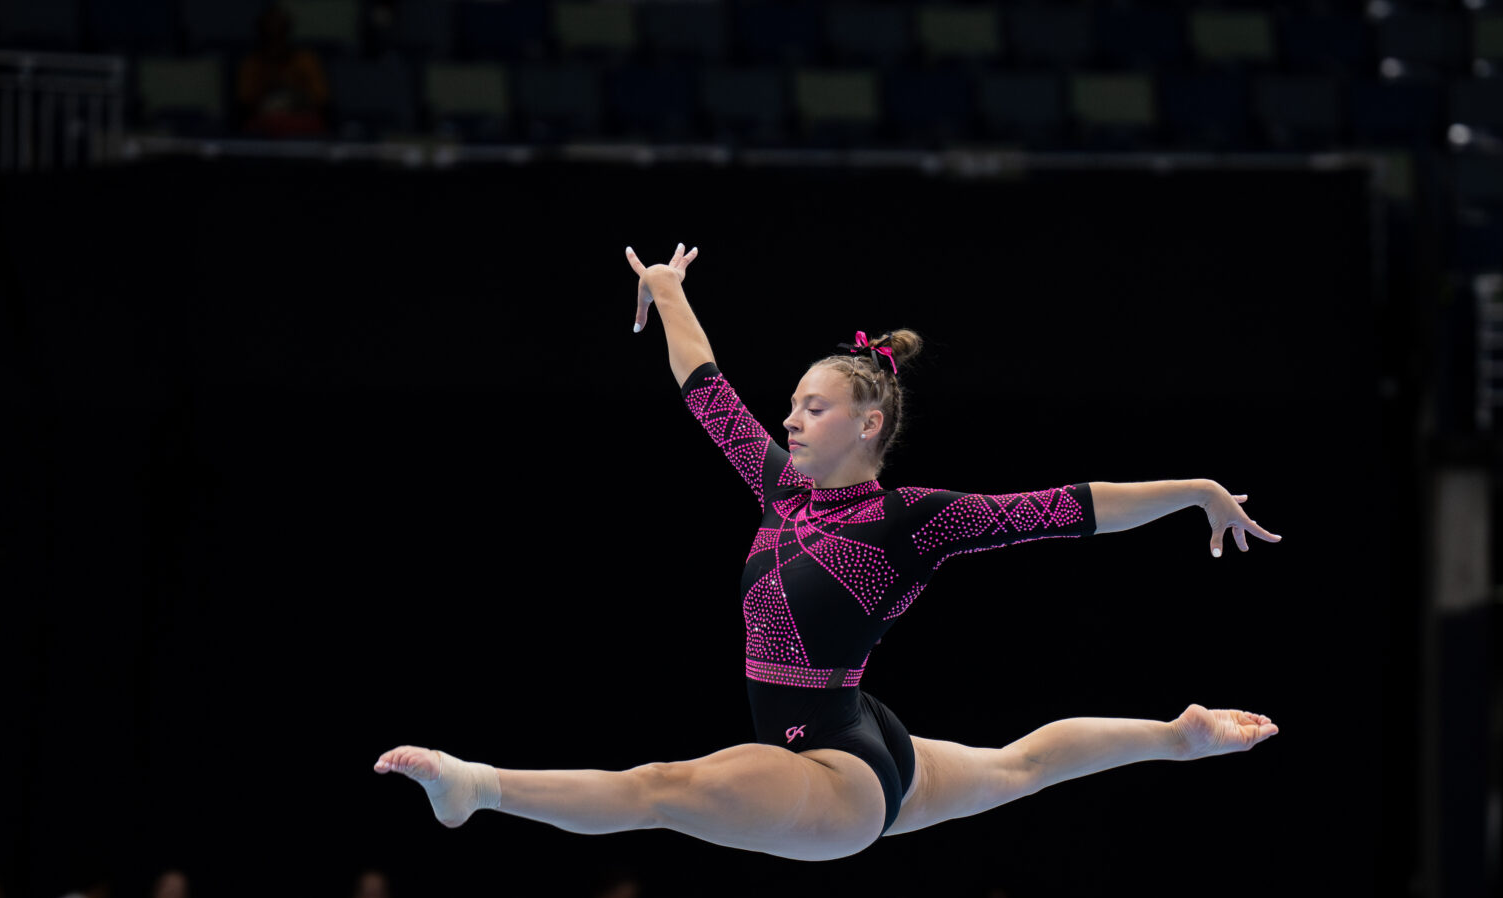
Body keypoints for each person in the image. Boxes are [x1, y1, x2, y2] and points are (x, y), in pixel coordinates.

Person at [373, 244, 1279, 862]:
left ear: (869, 424)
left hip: (838, 777)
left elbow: (1071, 508)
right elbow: (705, 387)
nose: (790, 419)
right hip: (857, 733)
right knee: (1019, 765)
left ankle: (476, 787)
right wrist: (670, 288)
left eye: (813, 407)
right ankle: (1180, 738)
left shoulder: (912, 520)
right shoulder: (780, 486)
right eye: (792, 406)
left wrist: (1193, 490)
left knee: (659, 790)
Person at [236, 3, 328, 137]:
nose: (275, 43)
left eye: (279, 34)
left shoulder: (306, 60)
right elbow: (245, 103)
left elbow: (321, 100)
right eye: (269, 36)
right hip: (264, 125)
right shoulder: (252, 64)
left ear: (287, 33)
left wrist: (294, 95)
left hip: (301, 122)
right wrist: (269, 85)